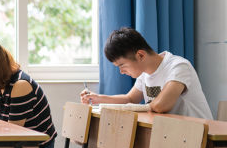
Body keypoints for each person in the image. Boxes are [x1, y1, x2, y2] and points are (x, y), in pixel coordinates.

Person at [81, 27, 212, 119]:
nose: (121, 72)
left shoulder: (178, 66)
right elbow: (130, 99)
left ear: (141, 55)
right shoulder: (145, 74)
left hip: (199, 137)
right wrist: (98, 98)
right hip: (172, 134)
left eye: (122, 65)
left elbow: (161, 106)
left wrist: (132, 108)